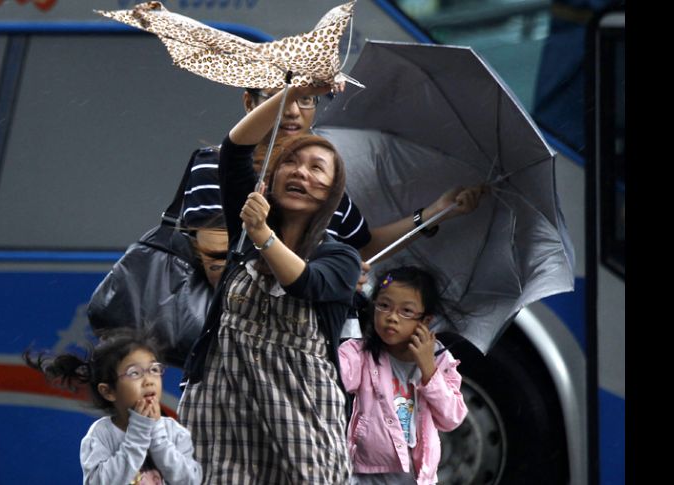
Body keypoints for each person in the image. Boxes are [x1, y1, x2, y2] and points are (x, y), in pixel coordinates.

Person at [177, 84, 362, 483]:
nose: (301, 172)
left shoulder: (341, 258)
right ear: (273, 177)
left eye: (317, 168)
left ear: (332, 192)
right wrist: (294, 92)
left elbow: (305, 283)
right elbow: (235, 149)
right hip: (221, 410)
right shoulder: (246, 222)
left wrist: (263, 235)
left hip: (302, 418)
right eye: (291, 163)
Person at [181, 87, 485, 263]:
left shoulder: (318, 183)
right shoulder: (215, 167)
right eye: (277, 97)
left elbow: (361, 245)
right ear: (250, 103)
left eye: (305, 99)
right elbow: (219, 259)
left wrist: (435, 213)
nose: (292, 111)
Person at [338, 266, 469, 485]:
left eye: (406, 311)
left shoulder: (439, 359)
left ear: (425, 321)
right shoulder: (361, 352)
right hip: (364, 471)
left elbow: (451, 418)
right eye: (384, 306)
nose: (392, 318)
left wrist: (428, 369)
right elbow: (339, 379)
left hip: (416, 476)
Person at [24, 328, 202, 485]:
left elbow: (189, 480)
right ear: (108, 392)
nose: (149, 381)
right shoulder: (101, 435)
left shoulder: (173, 431)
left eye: (154, 370)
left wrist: (157, 435)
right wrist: (138, 433)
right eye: (134, 373)